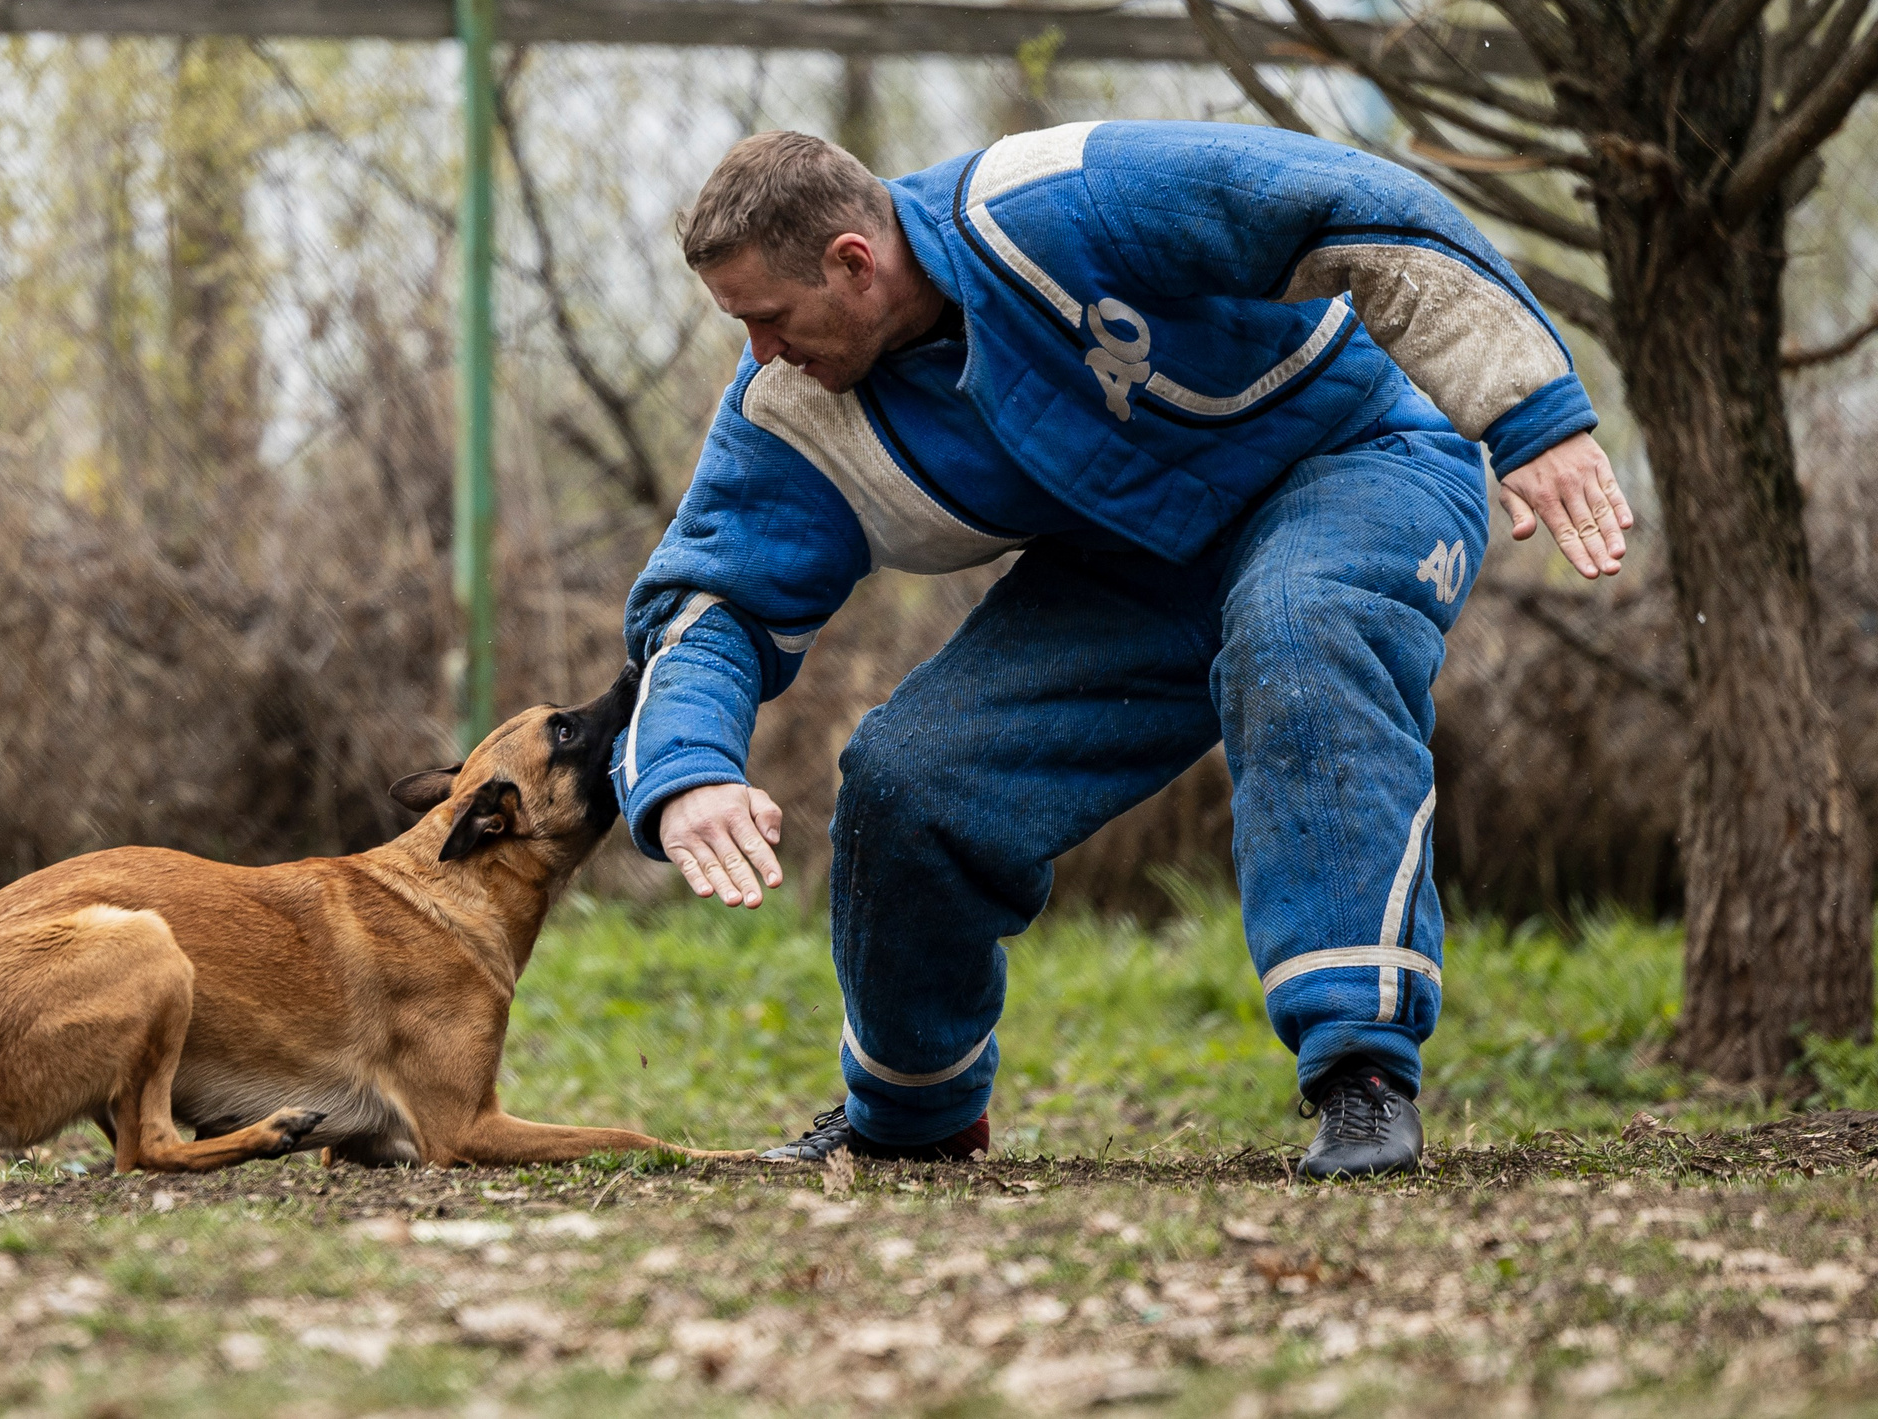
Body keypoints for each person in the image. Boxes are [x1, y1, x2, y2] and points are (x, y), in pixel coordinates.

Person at [610, 122, 1632, 1178]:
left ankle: (1360, 1078)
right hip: (1144, 554)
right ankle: (911, 1118)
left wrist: (1530, 412)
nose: (759, 353)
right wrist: (689, 767)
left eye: (769, 319)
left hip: (1363, 455)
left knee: (1299, 625)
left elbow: (1359, 205)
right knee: (908, 780)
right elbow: (710, 599)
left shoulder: (1060, 198)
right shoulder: (792, 408)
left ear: (853, 263)